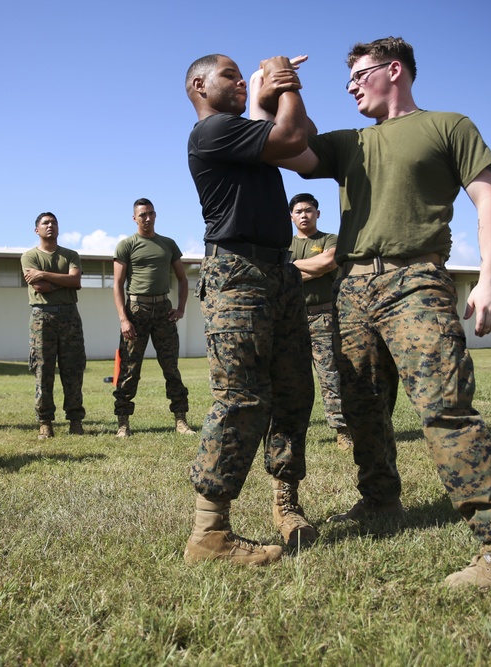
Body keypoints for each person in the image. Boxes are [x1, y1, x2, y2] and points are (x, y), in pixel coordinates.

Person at [259, 36, 491, 588]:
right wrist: (278, 88)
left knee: (443, 406)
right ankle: (381, 502)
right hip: (353, 287)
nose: (352, 85)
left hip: (416, 280)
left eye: (360, 74)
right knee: (360, 407)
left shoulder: (448, 126)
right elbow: (285, 145)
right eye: (347, 79)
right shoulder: (349, 144)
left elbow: (488, 198)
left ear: (395, 70)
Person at [182, 53, 316, 566]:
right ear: (199, 85)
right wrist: (283, 83)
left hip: (278, 273)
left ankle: (287, 505)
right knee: (240, 398)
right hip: (236, 273)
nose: (241, 83)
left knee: (292, 393)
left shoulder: (241, 131)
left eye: (245, 76)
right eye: (230, 76)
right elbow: (290, 137)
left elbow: (297, 139)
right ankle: (209, 533)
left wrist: (272, 91)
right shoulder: (212, 131)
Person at [112, 198, 195, 438]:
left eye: (150, 214)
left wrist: (180, 309)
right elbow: (117, 284)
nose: (147, 218)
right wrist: (123, 319)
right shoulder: (126, 245)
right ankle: (123, 423)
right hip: (136, 312)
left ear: (155, 215)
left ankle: (181, 420)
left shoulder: (168, 244)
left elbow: (182, 279)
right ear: (134, 218)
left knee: (171, 368)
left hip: (163, 312)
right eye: (142, 215)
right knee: (129, 368)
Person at [287, 193, 352, 451]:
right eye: (298, 211)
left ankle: (341, 431)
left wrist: (290, 267)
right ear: (291, 216)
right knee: (292, 378)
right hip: (292, 320)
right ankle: (292, 433)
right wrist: (307, 269)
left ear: (318, 213)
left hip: (323, 317)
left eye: (309, 210)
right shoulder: (284, 243)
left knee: (330, 376)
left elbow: (328, 262)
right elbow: (279, 274)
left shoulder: (329, 239)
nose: (304, 215)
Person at [20, 212, 86, 439]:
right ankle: (45, 422)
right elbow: (40, 288)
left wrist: (46, 275)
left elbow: (75, 281)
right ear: (36, 230)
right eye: (45, 223)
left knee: (73, 370)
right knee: (43, 370)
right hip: (42, 318)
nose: (51, 226)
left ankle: (75, 420)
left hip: (70, 316)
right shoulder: (29, 256)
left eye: (54, 223)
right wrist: (63, 281)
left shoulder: (70, 254)